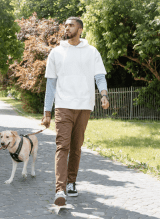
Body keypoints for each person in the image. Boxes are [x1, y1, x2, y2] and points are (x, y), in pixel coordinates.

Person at [41, 17, 109, 206]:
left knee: (76, 147)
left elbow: (100, 76)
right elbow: (51, 85)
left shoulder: (92, 52)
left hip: (84, 106)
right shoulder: (56, 52)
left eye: (71, 25)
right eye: (66, 25)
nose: (67, 27)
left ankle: (71, 182)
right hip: (63, 106)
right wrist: (47, 112)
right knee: (62, 146)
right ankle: (59, 189)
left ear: (80, 29)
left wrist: (104, 95)